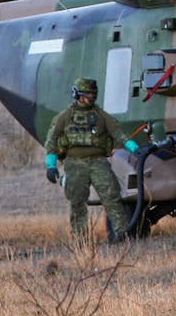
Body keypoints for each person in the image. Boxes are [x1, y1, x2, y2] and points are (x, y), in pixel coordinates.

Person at [44, 77, 138, 242]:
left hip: (98, 162)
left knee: (112, 196)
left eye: (94, 95)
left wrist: (135, 149)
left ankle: (122, 234)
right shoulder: (64, 117)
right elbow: (51, 142)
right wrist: (51, 165)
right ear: (78, 95)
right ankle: (81, 240)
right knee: (77, 202)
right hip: (74, 163)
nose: (92, 98)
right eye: (88, 95)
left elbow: (119, 134)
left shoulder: (101, 116)